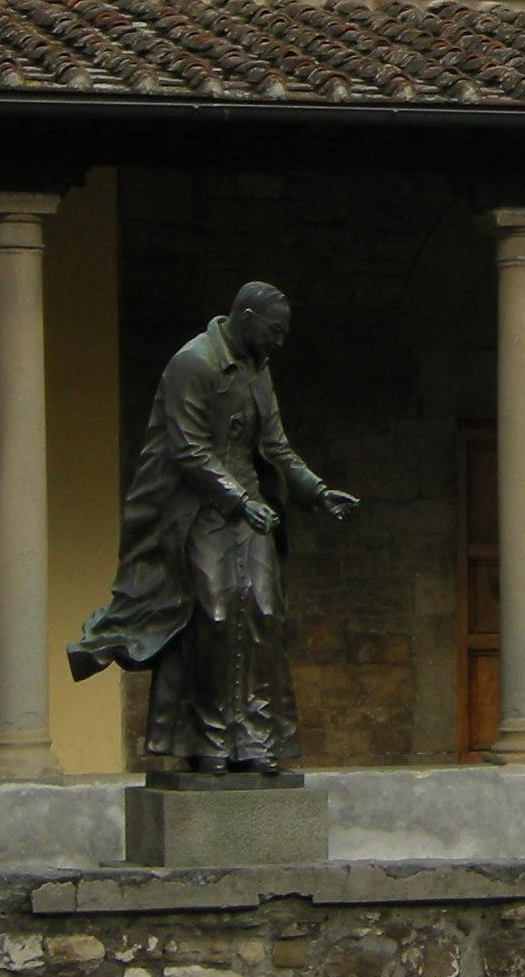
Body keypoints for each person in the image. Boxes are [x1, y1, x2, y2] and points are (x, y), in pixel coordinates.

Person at [64, 281, 359, 774]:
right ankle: (210, 738)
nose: (279, 342)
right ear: (245, 318)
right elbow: (188, 450)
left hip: (250, 508)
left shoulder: (258, 370)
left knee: (264, 613)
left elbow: (277, 446)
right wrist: (241, 502)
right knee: (216, 617)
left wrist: (316, 490)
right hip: (198, 510)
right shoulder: (193, 363)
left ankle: (256, 737)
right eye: (274, 331)